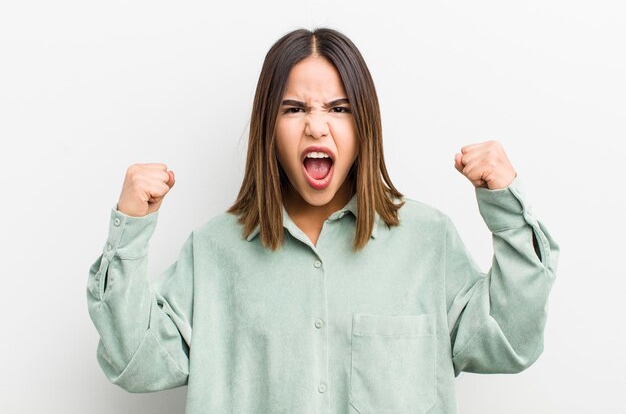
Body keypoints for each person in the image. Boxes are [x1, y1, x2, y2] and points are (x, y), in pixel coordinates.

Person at [86, 28, 559, 414]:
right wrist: (129, 230)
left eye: (338, 109)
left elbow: (511, 341)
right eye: (294, 109)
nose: (316, 125)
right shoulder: (213, 252)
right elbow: (136, 361)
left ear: (364, 124)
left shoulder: (427, 241)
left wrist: (506, 208)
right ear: (268, 129)